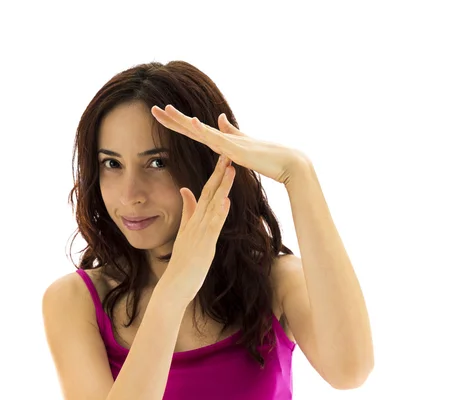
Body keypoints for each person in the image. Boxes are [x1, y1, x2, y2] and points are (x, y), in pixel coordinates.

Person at [42, 60, 374, 400]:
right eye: (112, 164)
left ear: (205, 162)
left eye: (157, 162)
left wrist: (298, 174)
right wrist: (173, 291)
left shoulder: (276, 282)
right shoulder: (75, 301)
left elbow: (350, 370)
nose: (130, 195)